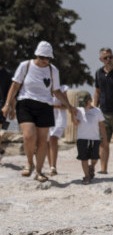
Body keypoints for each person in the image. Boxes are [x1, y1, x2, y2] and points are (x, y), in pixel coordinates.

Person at [2, 42, 76, 182]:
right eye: (43, 57)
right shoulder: (26, 65)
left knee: (43, 140)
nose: (45, 61)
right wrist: (7, 105)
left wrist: (69, 107)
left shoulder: (53, 70)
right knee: (29, 136)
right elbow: (15, 85)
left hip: (45, 106)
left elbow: (56, 91)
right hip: (25, 103)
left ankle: (39, 171)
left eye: (48, 58)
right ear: (37, 55)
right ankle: (29, 163)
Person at [74, 92, 105, 184]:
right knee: (84, 158)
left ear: (90, 101)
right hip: (82, 138)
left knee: (95, 158)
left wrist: (104, 138)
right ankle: (87, 176)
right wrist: (73, 115)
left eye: (85, 103)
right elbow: (76, 123)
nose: (84, 106)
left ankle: (91, 167)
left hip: (94, 139)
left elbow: (102, 125)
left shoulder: (97, 111)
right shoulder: (78, 110)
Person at [46, 85, 70, 176]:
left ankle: (53, 167)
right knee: (47, 142)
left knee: (53, 140)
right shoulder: (43, 86)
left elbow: (65, 105)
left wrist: (53, 106)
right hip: (46, 117)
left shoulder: (62, 88)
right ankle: (51, 167)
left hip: (58, 118)